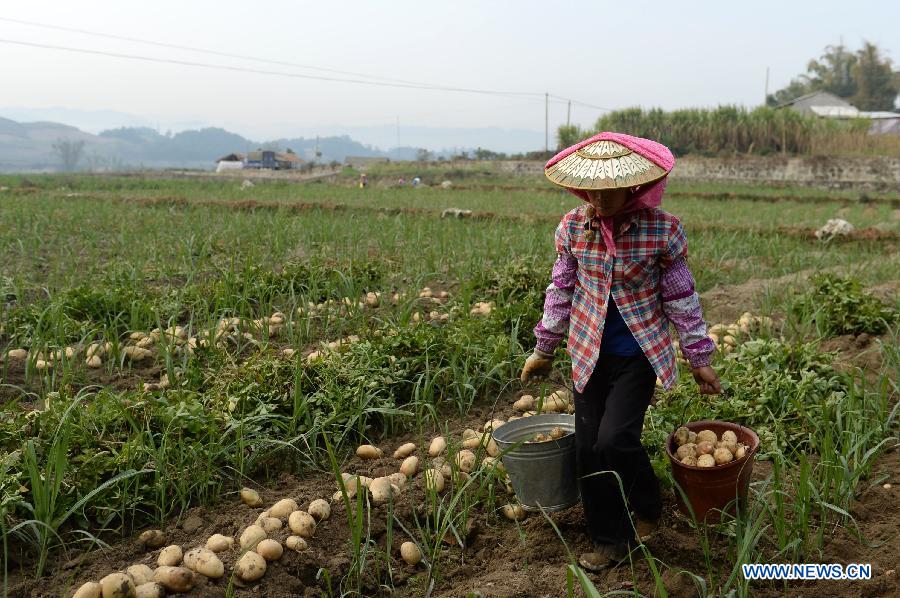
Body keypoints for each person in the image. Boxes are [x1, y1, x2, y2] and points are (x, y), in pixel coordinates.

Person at [520, 132, 722, 570]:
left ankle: (647, 502)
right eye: (592, 189)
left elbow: (681, 298)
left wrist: (699, 359)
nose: (599, 198)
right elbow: (561, 289)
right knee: (588, 449)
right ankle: (610, 540)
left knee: (615, 439)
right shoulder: (574, 227)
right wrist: (544, 348)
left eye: (609, 189)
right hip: (587, 353)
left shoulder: (662, 229)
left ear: (632, 184)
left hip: (638, 354)